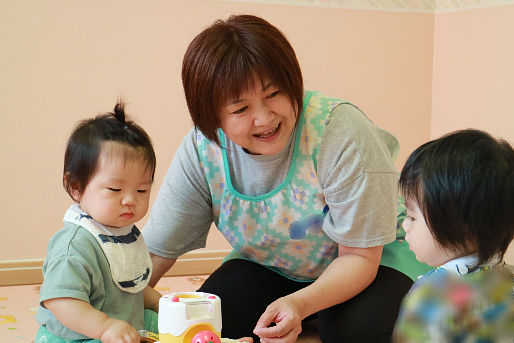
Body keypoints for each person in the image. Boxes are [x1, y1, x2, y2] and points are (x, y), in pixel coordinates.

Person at [143, 14, 430, 342]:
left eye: (274, 94)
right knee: (207, 322)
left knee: (356, 331)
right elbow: (155, 252)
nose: (264, 118)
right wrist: (107, 305)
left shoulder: (339, 129)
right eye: (240, 110)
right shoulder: (202, 149)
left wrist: (300, 304)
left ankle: (321, 314)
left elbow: (360, 257)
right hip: (273, 263)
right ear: (213, 118)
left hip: (373, 259)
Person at [35, 102, 162, 343]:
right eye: (115, 189)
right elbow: (60, 300)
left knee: (169, 324)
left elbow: (127, 286)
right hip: (79, 337)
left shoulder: (124, 233)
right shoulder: (73, 247)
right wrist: (104, 328)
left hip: (123, 326)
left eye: (142, 190)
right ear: (76, 187)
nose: (130, 200)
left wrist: (159, 302)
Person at [393, 129, 514, 342]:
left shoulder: (430, 296)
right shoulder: (508, 281)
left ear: (460, 225)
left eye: (412, 217)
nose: (405, 225)